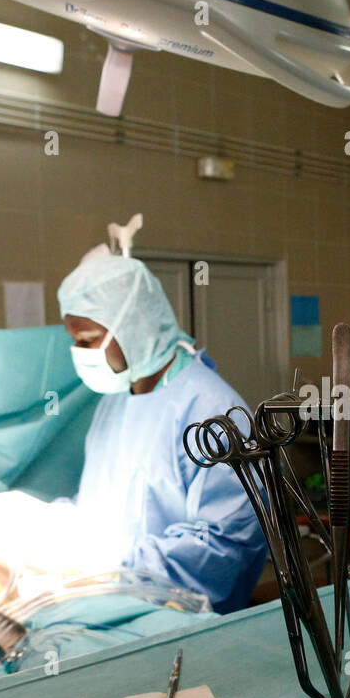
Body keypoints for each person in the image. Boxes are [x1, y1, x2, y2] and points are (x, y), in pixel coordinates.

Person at [59, 254, 266, 613]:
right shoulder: (116, 399)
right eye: (75, 341)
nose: (79, 354)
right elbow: (102, 499)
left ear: (132, 328)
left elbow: (224, 546)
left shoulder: (211, 411)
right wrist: (54, 526)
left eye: (89, 340)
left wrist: (114, 564)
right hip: (110, 607)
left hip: (184, 624)